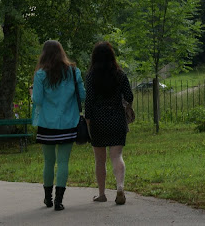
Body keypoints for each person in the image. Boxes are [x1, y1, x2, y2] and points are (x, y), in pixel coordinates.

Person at [32, 40, 85, 211]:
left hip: (47, 123)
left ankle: (47, 198)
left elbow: (37, 100)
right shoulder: (73, 71)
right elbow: (82, 96)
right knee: (63, 162)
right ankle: (59, 201)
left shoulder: (40, 74)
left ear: (44, 54)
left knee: (48, 161)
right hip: (68, 123)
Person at [84, 41, 133, 205]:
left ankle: (102, 193)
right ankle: (120, 187)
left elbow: (89, 100)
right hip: (116, 118)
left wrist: (88, 120)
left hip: (98, 119)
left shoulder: (91, 76)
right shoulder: (120, 74)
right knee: (117, 155)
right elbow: (129, 96)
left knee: (100, 159)